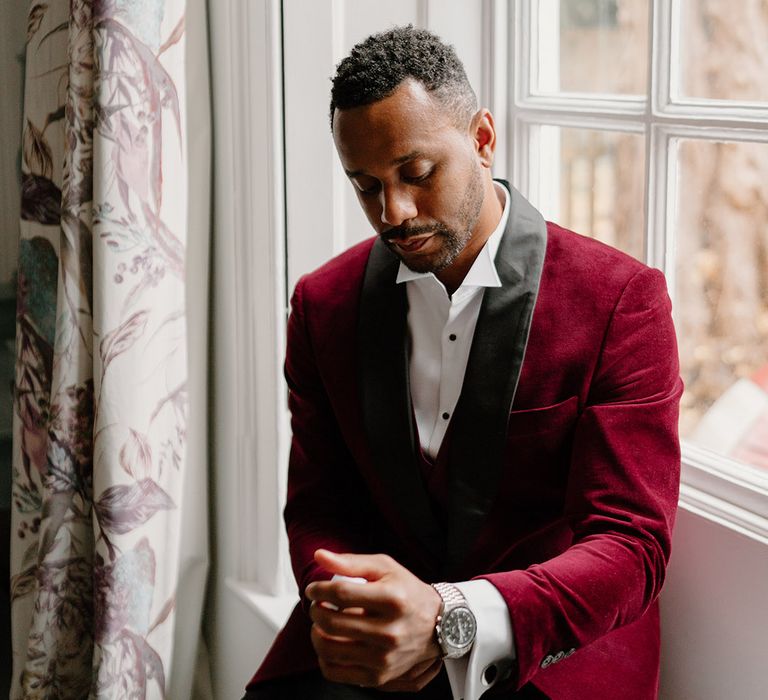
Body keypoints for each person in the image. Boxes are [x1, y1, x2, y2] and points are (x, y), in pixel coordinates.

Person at [245, 25, 682, 700]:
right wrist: (358, 607)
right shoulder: (321, 307)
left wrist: (455, 618)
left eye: (416, 174)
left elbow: (631, 544)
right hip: (375, 647)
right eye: (365, 186)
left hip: (548, 650)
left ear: (481, 139)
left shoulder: (620, 301)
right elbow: (316, 507)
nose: (393, 212)